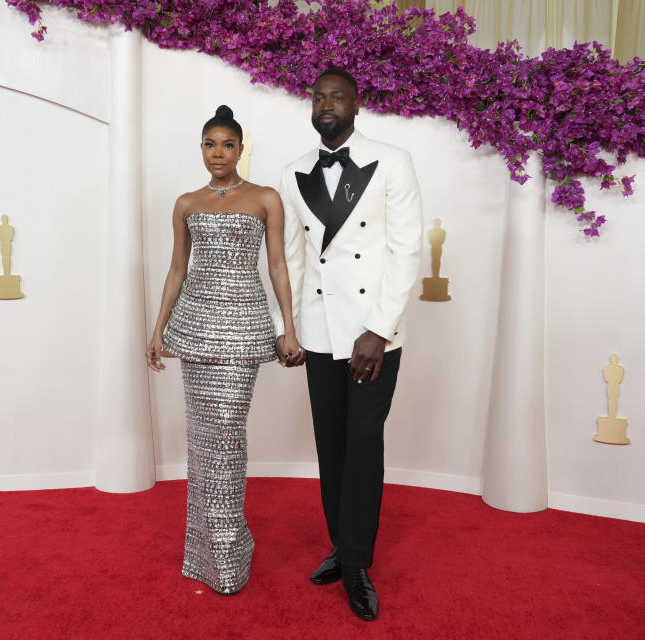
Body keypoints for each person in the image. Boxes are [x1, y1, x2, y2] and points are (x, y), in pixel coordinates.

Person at [273, 68, 423, 621]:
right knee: (330, 442)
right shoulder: (291, 173)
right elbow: (289, 257)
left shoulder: (393, 160)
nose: (326, 105)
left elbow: (407, 252)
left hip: (372, 336)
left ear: (357, 105)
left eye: (337, 97)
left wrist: (379, 329)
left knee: (363, 442)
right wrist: (285, 326)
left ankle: (357, 562)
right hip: (317, 330)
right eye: (318, 97)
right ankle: (342, 543)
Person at [145, 105, 301, 595]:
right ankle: (204, 557)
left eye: (228, 145)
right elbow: (176, 270)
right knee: (202, 440)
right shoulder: (186, 203)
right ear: (202, 148)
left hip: (242, 330)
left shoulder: (266, 199)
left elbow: (278, 266)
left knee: (227, 433)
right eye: (210, 144)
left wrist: (288, 329)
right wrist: (158, 329)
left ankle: (231, 551)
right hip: (194, 330)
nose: (218, 153)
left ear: (241, 148)